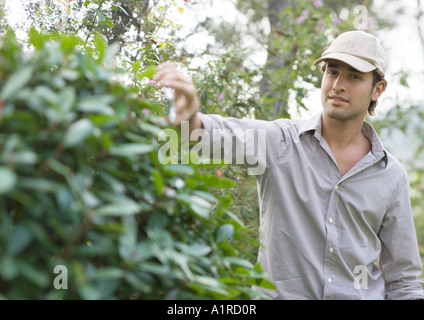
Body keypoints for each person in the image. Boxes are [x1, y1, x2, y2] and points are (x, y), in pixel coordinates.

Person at [153, 30, 424, 300]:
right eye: (332, 71)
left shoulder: (391, 174)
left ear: (378, 89)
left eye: (354, 76)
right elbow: (207, 137)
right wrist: (187, 118)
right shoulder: (280, 143)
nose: (338, 85)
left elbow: (404, 281)